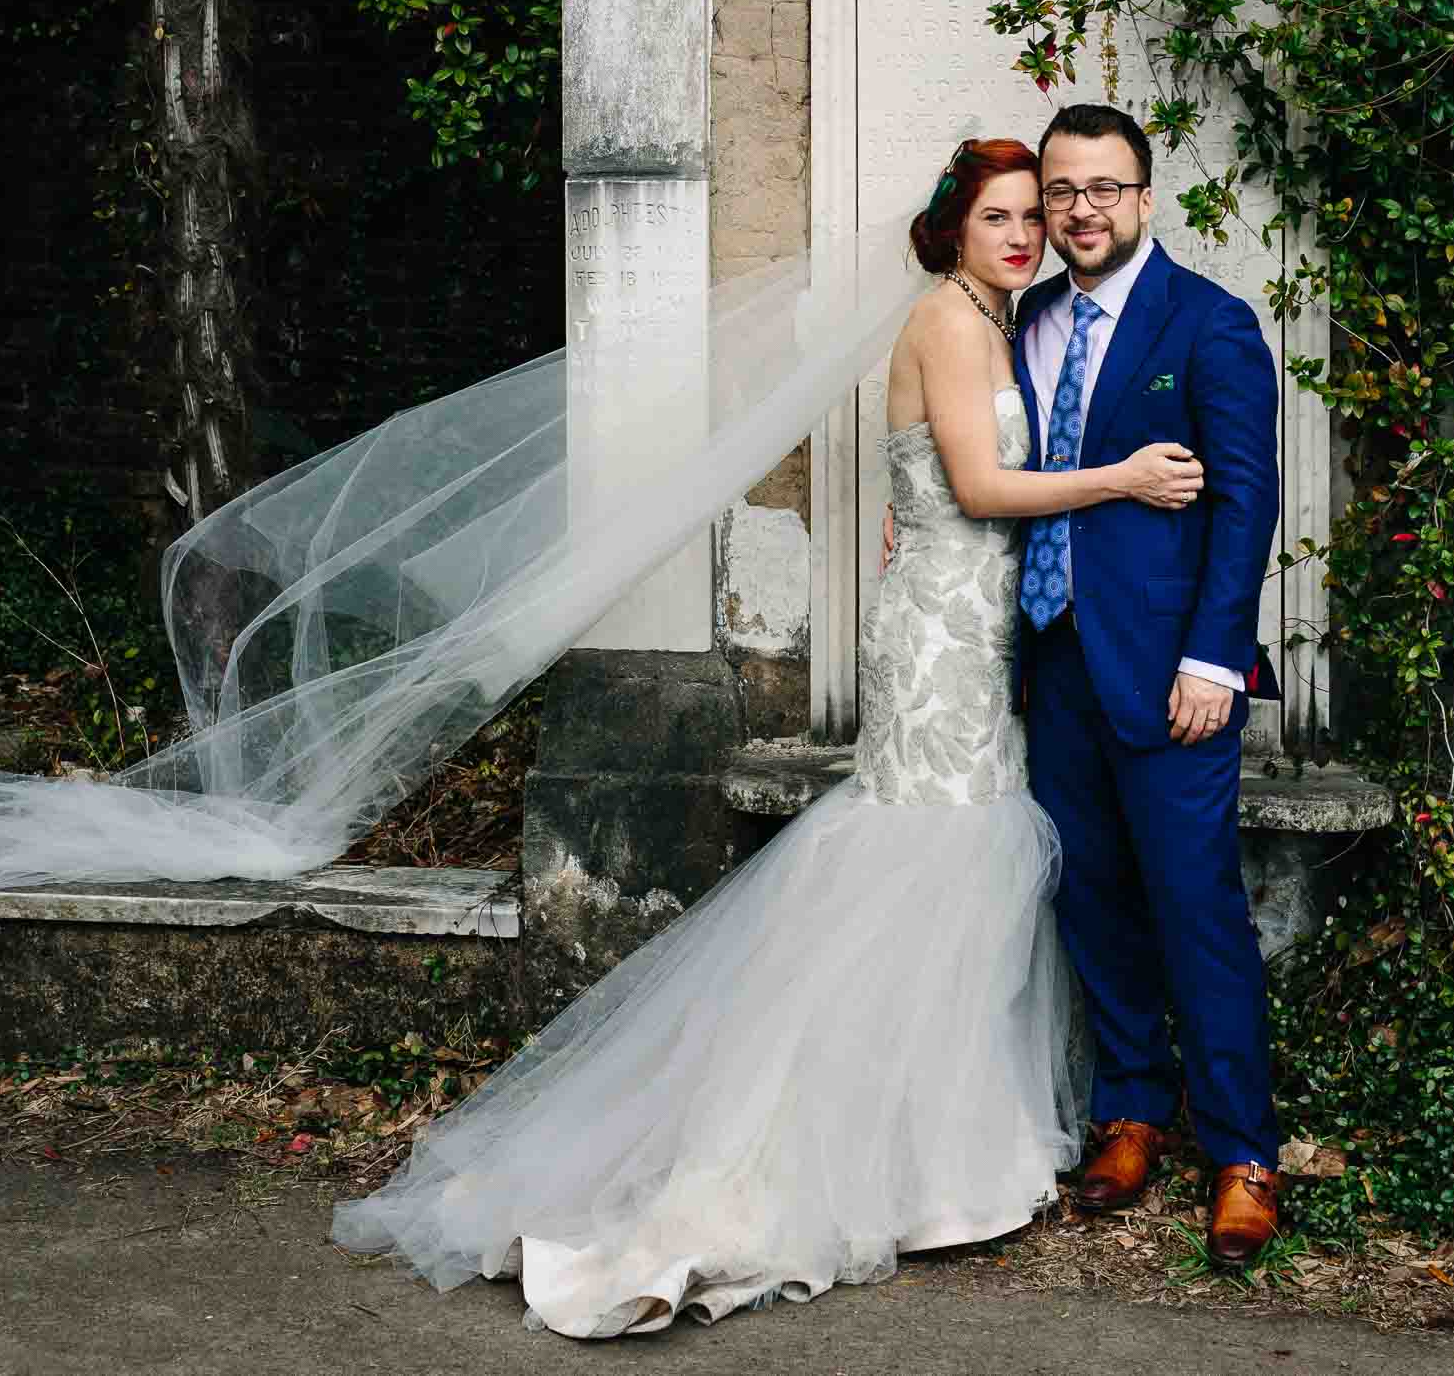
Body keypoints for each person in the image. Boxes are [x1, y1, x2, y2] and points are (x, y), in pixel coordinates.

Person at [333, 136, 1208, 1336]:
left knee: (957, 861)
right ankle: (861, 1162)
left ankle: (931, 1153)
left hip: (969, 624)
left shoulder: (1001, 322)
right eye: (998, 216)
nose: (1022, 234)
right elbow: (984, 486)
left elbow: (952, 489)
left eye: (1029, 216)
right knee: (934, 854)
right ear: (953, 226)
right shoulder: (953, 325)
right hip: (940, 646)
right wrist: (1122, 479)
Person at [1013, 102, 1283, 1267]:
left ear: (1144, 196)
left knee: (1197, 909)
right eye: (1062, 189)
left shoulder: (1210, 325)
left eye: (1103, 188)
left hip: (1174, 672)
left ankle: (1243, 1154)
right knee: (1092, 896)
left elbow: (1245, 504)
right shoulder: (1025, 317)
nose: (1081, 210)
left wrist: (1214, 659)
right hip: (1054, 658)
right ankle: (1131, 1110)